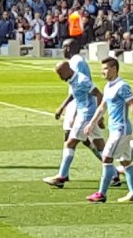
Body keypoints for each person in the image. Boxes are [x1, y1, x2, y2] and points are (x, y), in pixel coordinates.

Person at [83, 57, 133, 203]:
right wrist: (91, 123)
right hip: (116, 129)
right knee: (126, 162)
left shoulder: (122, 86)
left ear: (114, 69)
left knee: (107, 158)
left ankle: (101, 193)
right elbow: (102, 107)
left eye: (105, 68)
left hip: (120, 130)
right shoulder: (108, 86)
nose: (102, 72)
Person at [55, 38, 116, 177]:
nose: (62, 50)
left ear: (69, 48)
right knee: (96, 143)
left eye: (64, 47)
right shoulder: (77, 62)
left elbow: (83, 87)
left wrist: (63, 107)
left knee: (70, 140)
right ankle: (113, 173)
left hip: (81, 107)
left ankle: (62, 175)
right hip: (83, 106)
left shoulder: (76, 62)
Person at [43, 59, 103, 188]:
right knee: (100, 146)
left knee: (70, 143)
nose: (59, 77)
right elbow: (74, 95)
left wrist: (100, 116)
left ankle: (61, 176)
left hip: (87, 115)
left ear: (67, 70)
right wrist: (61, 107)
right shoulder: (73, 80)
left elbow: (99, 94)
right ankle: (114, 174)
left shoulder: (82, 80)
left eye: (60, 74)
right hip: (88, 115)